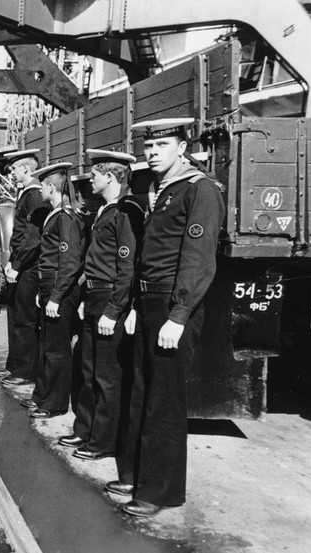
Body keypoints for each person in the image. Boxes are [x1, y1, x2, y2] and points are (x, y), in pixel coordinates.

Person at [109, 118, 225, 518]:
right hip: (149, 304)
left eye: (161, 145)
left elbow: (197, 257)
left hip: (174, 306)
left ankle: (159, 491)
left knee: (164, 402)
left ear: (182, 147)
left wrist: (179, 314)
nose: (152, 152)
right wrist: (137, 308)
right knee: (141, 392)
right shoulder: (162, 190)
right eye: (149, 146)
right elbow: (147, 257)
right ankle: (137, 476)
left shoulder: (200, 190)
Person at [63, 149, 144, 461]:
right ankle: (85, 429)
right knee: (88, 367)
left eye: (94, 176)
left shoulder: (126, 211)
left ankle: (103, 442)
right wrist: (86, 299)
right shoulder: (105, 209)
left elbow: (128, 268)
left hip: (110, 298)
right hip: (94, 297)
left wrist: (114, 310)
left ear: (110, 177)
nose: (90, 181)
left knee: (106, 376)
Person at [27, 162, 84, 419]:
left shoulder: (66, 218)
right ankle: (41, 395)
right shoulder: (55, 215)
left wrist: (57, 296)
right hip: (49, 284)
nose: (40, 190)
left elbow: (70, 263)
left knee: (57, 348)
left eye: (42, 186)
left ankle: (55, 403)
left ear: (51, 187)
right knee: (46, 345)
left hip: (60, 287)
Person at [0, 149, 48, 391]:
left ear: (27, 169)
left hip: (29, 268)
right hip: (22, 264)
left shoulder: (34, 195)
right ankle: (15, 365)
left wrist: (17, 265)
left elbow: (33, 236)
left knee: (25, 321)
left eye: (15, 168)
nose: (12, 172)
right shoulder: (27, 193)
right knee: (17, 317)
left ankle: (24, 371)